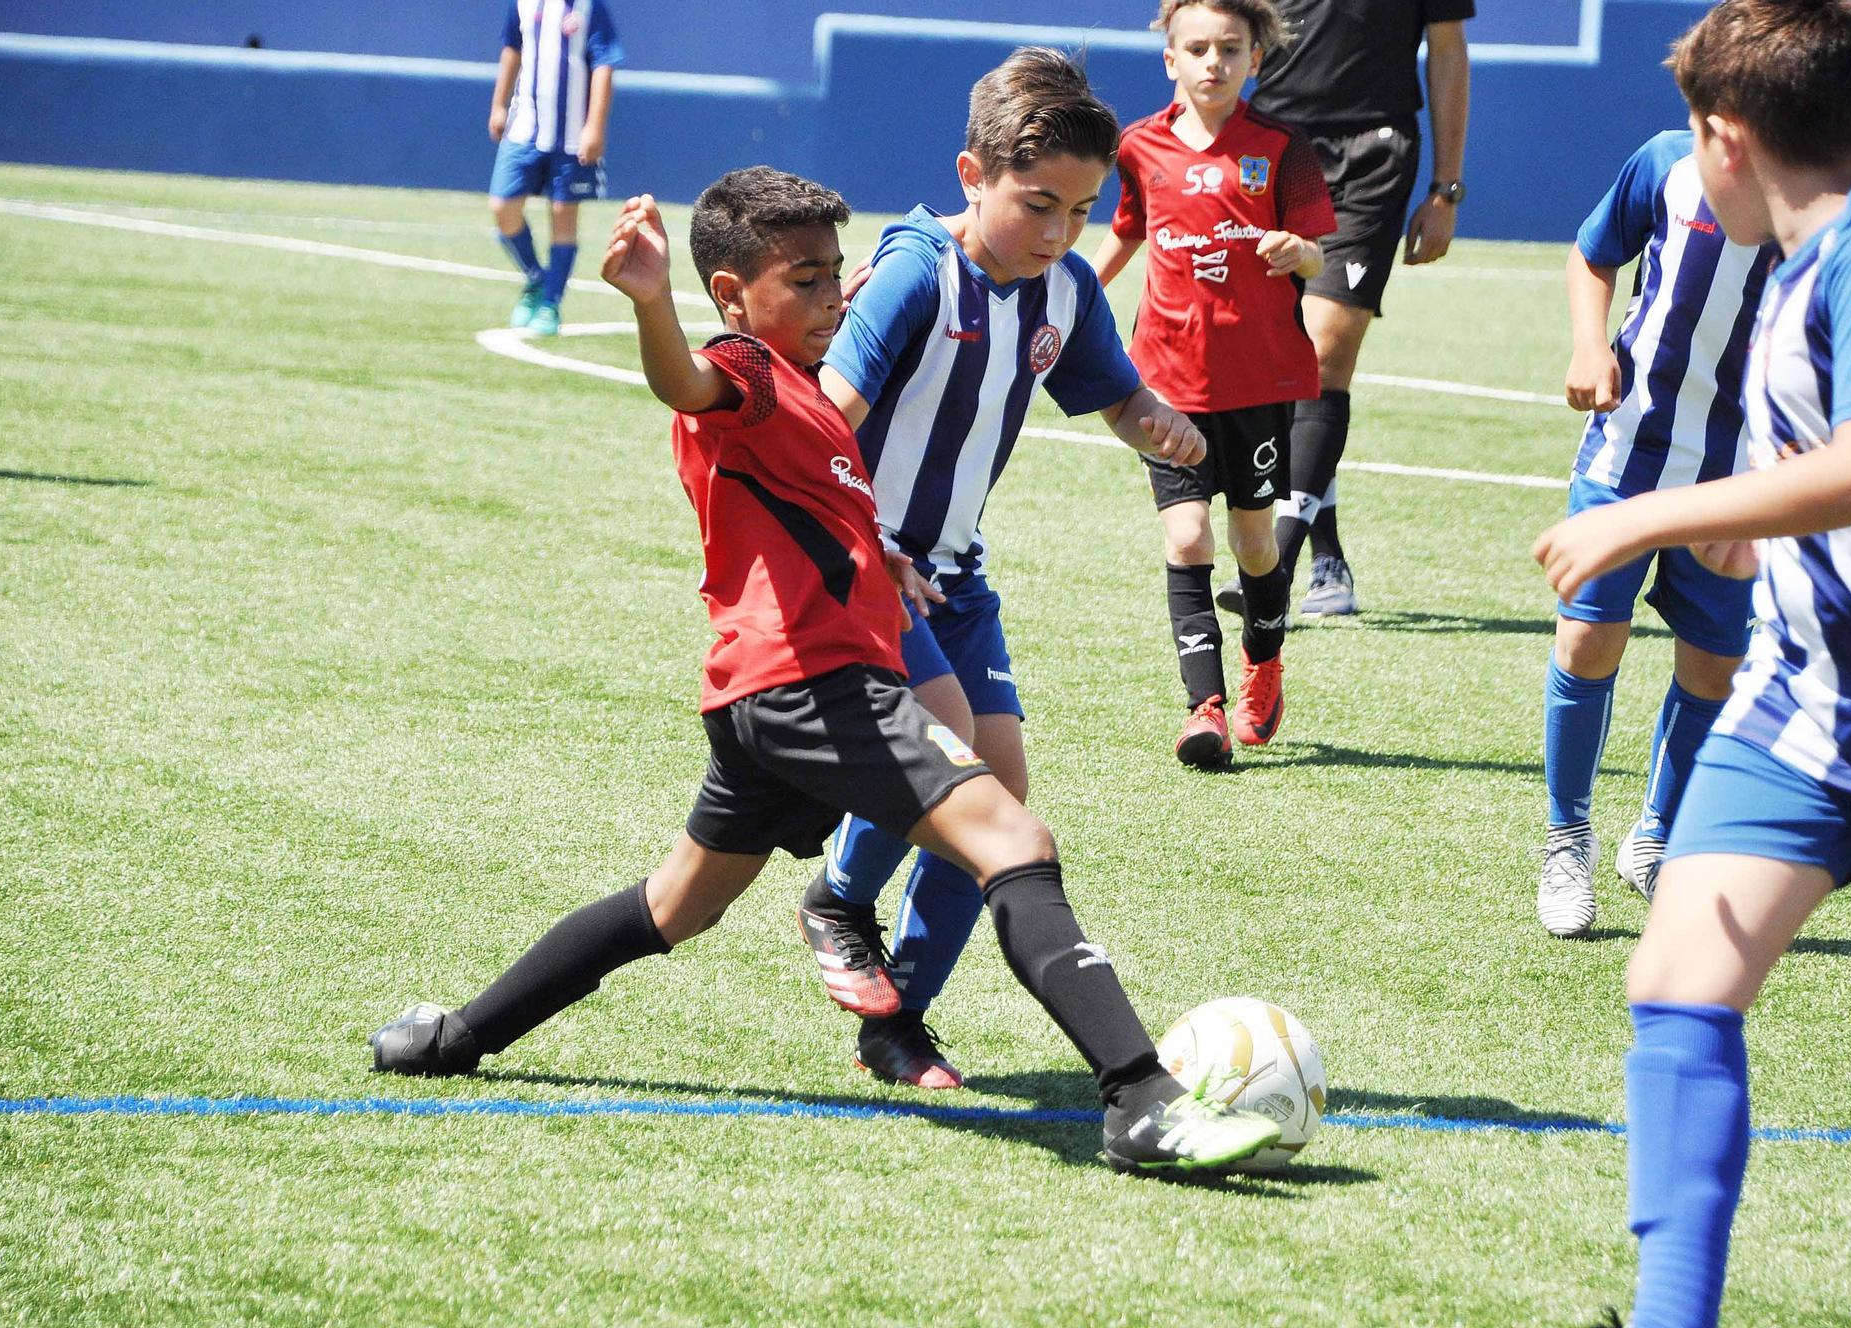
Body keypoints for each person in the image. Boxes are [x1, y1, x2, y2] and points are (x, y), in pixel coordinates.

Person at [368, 169, 1276, 1176]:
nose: (831, 299)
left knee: (678, 904)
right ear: (732, 296)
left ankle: (453, 1037)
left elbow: (809, 505)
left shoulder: (803, 396)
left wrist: (874, 555)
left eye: (833, 276)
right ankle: (1141, 1099)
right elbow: (687, 385)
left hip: (764, 694)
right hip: (812, 686)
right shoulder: (743, 369)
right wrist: (646, 302)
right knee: (1011, 832)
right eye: (801, 281)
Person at [1534, 2, 1851, 1321]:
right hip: (1796, 714)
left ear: (1728, 141)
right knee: (1675, 979)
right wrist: (1757, 544)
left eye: (1692, 135)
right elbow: (1825, 485)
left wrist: (1652, 514)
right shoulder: (1796, 271)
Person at [794, 48, 1208, 1089]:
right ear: (971, 176)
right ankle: (838, 897)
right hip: (866, 565)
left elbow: (1110, 392)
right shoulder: (913, 274)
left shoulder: (1062, 289)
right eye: (1038, 204)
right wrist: (869, 546)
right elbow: (819, 429)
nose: (1062, 231)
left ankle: (897, 1021)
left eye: (1080, 208)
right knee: (957, 747)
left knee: (1004, 801)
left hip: (955, 577)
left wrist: (1155, 423)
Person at [1534, 128, 1776, 939]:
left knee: (1715, 665)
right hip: (1626, 453)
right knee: (1586, 642)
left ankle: (1659, 838)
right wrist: (1587, 342)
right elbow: (1592, 253)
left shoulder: (1821, 199)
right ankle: (1567, 841)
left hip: (1738, 481)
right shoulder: (1667, 159)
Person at [1093, 0, 1338, 768]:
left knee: (1253, 540)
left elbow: (1319, 260)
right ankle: (1206, 712)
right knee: (1187, 534)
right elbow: (1129, 230)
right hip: (1165, 378)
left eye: (1229, 49)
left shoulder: (1281, 149)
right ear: (1170, 58)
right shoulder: (1139, 146)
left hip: (1258, 381)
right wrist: (1073, 292)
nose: (1212, 62)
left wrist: (1297, 251)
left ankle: (1264, 661)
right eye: (1196, 48)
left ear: (1255, 60)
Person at [1222, 0, 1472, 619]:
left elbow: (1447, 51)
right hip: (1271, 151)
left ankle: (1274, 565)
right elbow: (1216, 32)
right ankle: (1328, 558)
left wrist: (1446, 188)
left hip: (1373, 153)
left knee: (1324, 350)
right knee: (1283, 366)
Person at [487, 0, 624, 337]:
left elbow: (604, 64)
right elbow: (512, 48)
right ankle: (536, 276)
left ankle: (550, 303)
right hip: (525, 129)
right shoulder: (522, 3)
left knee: (563, 214)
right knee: (502, 206)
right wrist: (499, 105)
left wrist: (594, 126)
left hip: (571, 136)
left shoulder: (590, 8)